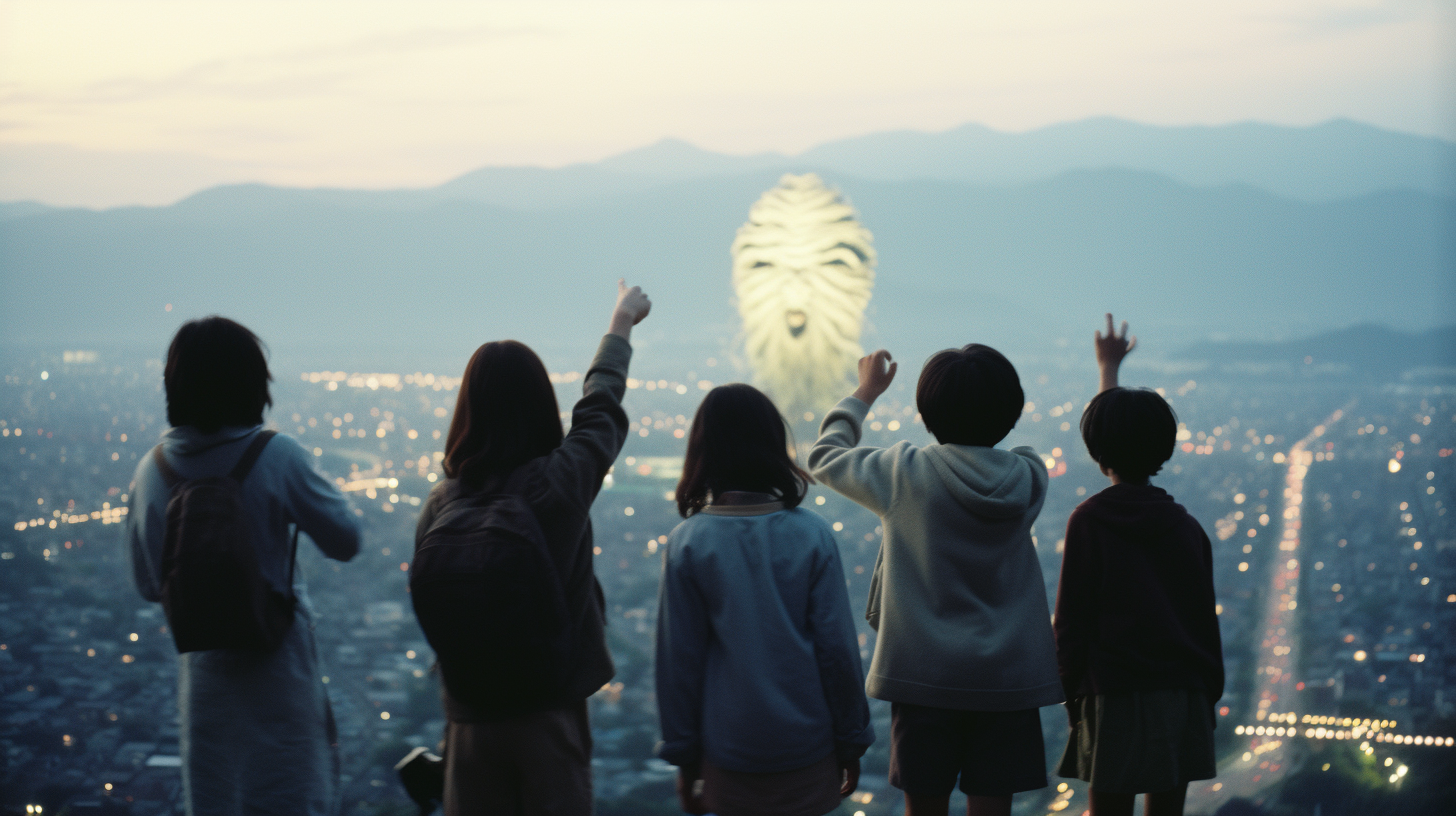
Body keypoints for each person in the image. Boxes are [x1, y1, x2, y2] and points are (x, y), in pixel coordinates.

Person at [414, 280, 651, 816]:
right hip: (548, 715)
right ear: (540, 404)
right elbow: (601, 406)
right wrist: (620, 322)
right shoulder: (557, 487)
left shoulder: (440, 504)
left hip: (468, 722)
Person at [808, 346, 1063, 816]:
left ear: (925, 414)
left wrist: (864, 393)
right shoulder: (1029, 476)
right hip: (1006, 681)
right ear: (1011, 415)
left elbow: (824, 457)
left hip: (922, 677)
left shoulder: (904, 473)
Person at [127, 316, 362, 816]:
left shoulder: (153, 471)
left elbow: (150, 584)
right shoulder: (276, 455)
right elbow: (346, 540)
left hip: (205, 679)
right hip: (279, 668)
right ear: (253, 383)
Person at [655, 384, 875, 816]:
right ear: (775, 445)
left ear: (703, 452)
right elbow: (837, 651)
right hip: (807, 746)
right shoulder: (811, 535)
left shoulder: (689, 543)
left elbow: (678, 662)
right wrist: (852, 739)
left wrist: (683, 756)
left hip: (728, 749)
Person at [1053, 314, 1224, 816]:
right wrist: (1206, 693)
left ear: (1094, 450)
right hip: (1182, 693)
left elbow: (1072, 621)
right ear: (1165, 447)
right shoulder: (1186, 526)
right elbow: (1201, 619)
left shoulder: (1089, 521)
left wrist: (1070, 691)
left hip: (1112, 692)